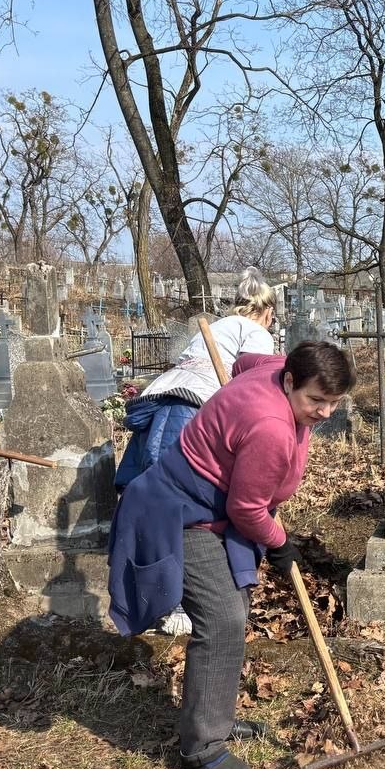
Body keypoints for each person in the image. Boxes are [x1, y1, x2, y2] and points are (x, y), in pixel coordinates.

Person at [107, 341, 353, 769]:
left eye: (334, 402)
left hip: (215, 512)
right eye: (316, 400)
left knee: (233, 611)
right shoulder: (270, 427)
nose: (325, 412)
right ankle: (202, 746)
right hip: (183, 514)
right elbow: (247, 509)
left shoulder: (276, 366)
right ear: (290, 380)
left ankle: (214, 716)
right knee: (222, 619)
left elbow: (244, 362)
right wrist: (279, 543)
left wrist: (232, 416)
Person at [115, 266, 278, 635]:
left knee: (158, 492)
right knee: (182, 503)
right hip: (195, 408)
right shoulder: (257, 334)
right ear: (268, 312)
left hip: (165, 398)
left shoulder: (222, 325)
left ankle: (164, 597)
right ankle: (179, 604)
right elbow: (254, 387)